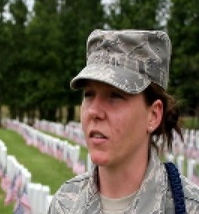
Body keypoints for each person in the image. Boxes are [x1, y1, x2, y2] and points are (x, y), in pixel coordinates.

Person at [47, 29, 199, 214]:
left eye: (115, 96)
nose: (94, 111)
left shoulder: (188, 207)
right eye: (89, 94)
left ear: (153, 115)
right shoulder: (65, 203)